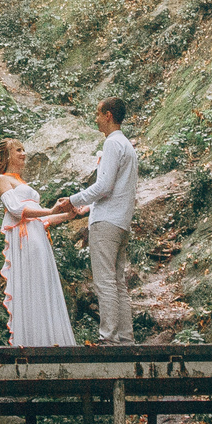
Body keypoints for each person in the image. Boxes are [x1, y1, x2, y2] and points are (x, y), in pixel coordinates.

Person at [65, 98, 140, 345]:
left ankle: (108, 338)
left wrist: (73, 200)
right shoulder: (127, 145)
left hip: (107, 223)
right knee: (118, 283)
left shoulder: (112, 143)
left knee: (105, 281)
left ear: (108, 115)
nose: (95, 118)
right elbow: (118, 188)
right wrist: (86, 208)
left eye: (98, 114)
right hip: (121, 221)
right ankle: (126, 338)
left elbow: (104, 186)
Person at [0, 139, 77, 348]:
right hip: (25, 240)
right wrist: (50, 210)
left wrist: (67, 215)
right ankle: (34, 343)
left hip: (38, 236)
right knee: (33, 283)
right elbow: (15, 211)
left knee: (44, 282)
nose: (23, 153)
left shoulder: (22, 183)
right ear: (7, 155)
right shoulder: (2, 180)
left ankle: (52, 341)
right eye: (18, 150)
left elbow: (42, 219)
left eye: (24, 149)